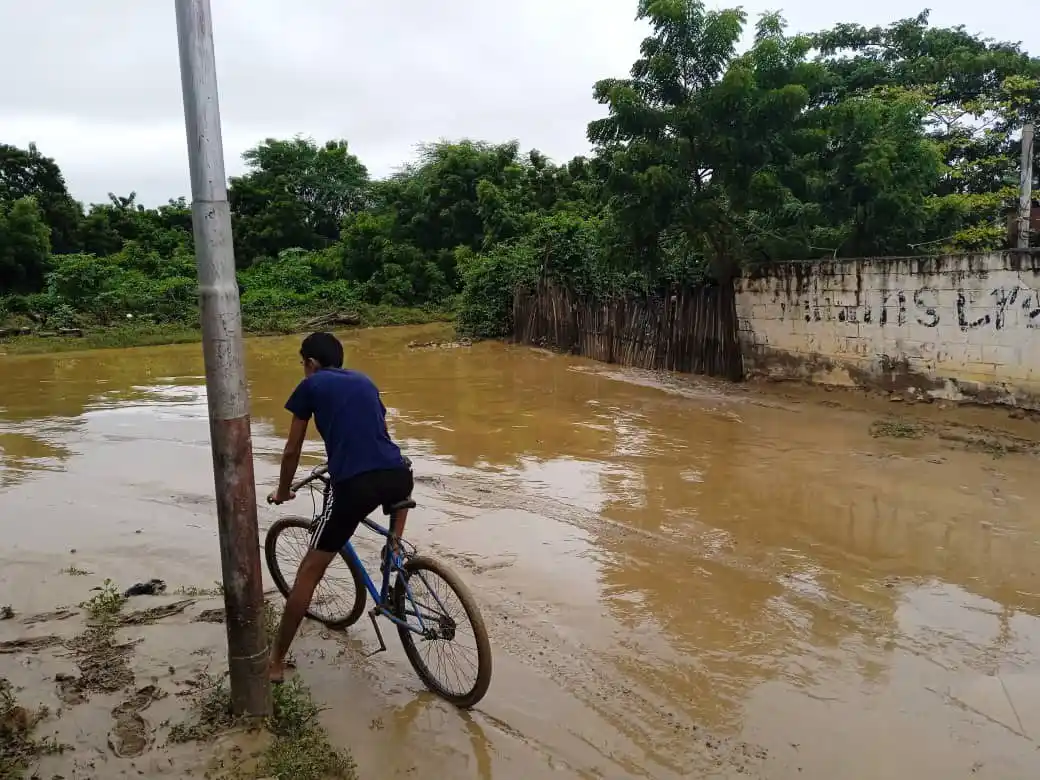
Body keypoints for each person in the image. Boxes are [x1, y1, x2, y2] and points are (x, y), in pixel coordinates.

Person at [266, 331, 412, 684]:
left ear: (311, 363)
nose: (304, 369)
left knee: (309, 572)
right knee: (396, 489)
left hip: (355, 485)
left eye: (303, 364)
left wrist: (284, 490)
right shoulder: (364, 380)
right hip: (398, 473)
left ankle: (274, 664)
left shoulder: (311, 386)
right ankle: (394, 546)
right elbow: (375, 432)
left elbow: (291, 450)